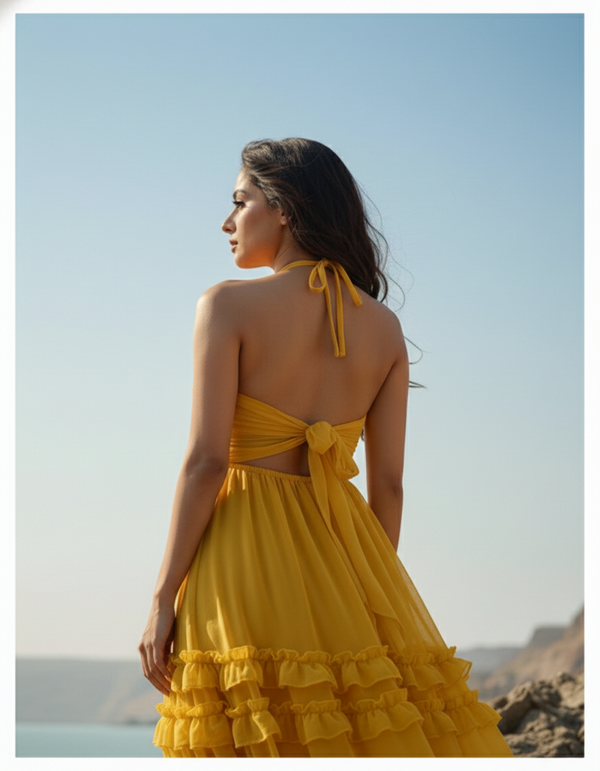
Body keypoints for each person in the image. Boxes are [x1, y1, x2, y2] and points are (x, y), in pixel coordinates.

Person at [138, 138, 514, 758]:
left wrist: (160, 601)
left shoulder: (227, 305)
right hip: (347, 558)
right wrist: (368, 591)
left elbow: (206, 462)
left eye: (240, 201)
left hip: (241, 559)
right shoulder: (384, 328)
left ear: (284, 207)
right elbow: (388, 486)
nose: (227, 222)